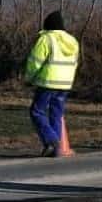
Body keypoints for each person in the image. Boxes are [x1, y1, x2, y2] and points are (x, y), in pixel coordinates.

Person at [25, 10, 80, 157]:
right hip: (65, 84)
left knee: (36, 111)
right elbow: (75, 63)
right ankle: (56, 149)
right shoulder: (73, 41)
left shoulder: (46, 39)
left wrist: (29, 78)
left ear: (48, 25)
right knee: (56, 115)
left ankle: (52, 140)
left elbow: (35, 62)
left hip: (47, 82)